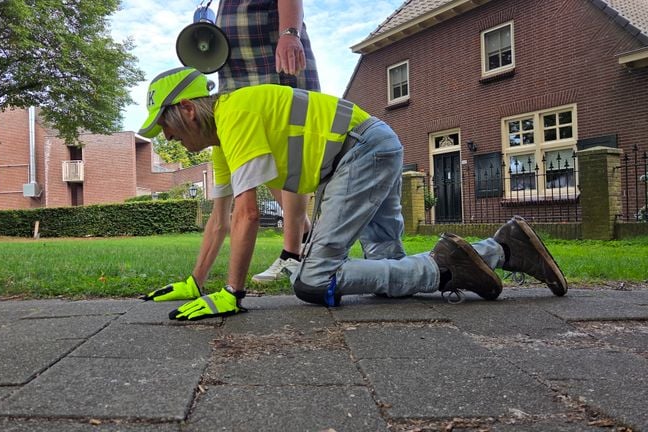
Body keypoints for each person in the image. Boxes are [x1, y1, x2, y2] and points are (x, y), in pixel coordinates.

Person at [138, 67, 568, 320]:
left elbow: (247, 215)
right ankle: (503, 249)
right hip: (363, 149)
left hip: (359, 152)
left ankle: (449, 267)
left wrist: (231, 295)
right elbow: (220, 218)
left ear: (189, 110)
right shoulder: (221, 142)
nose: (169, 138)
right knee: (387, 271)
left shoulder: (235, 114)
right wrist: (195, 284)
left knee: (313, 281)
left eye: (166, 127)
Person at [216, 0, 320, 283]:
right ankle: (310, 235)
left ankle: (292, 254)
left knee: (289, 147)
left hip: (272, 52)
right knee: (261, 153)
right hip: (235, 63)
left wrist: (289, 33)